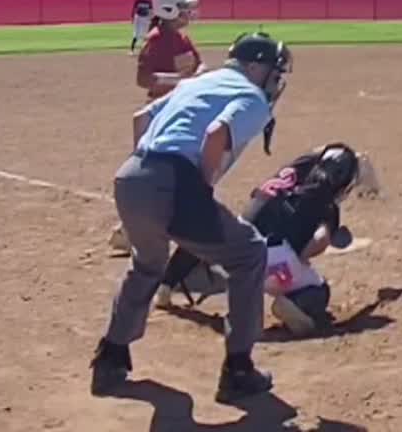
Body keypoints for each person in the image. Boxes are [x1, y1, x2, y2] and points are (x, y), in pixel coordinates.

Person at [88, 32, 293, 403]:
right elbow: (217, 134)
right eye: (272, 71)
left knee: (148, 265)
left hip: (131, 176)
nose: (275, 81)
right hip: (174, 183)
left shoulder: (199, 81)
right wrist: (198, 187)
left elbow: (141, 118)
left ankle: (110, 359)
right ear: (253, 66)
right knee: (248, 253)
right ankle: (239, 370)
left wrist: (152, 178)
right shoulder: (251, 96)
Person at [157, 142, 385, 336]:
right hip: (275, 266)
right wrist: (301, 258)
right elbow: (321, 240)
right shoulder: (328, 205)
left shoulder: (285, 175)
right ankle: (294, 303)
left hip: (236, 250)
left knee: (208, 231)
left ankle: (167, 284)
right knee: (319, 289)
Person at [110, 0, 205, 254]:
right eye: (184, 8)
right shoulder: (156, 40)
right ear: (168, 9)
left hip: (181, 112)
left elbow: (197, 65)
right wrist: (181, 81)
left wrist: (199, 74)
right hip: (161, 115)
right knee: (159, 176)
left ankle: (128, 231)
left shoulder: (182, 39)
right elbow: (144, 79)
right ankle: (130, 230)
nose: (189, 13)